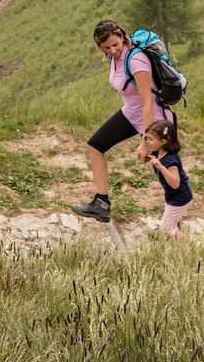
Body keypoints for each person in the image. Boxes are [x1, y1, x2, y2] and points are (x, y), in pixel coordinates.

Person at [70, 19, 166, 224]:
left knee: (165, 169)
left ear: (122, 36)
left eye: (115, 44)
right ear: (100, 46)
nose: (112, 50)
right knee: (95, 146)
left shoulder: (137, 60)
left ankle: (174, 220)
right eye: (106, 47)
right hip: (131, 114)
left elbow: (148, 103)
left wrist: (146, 141)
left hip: (155, 120)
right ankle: (101, 204)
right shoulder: (114, 58)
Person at [138, 118, 192, 238]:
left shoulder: (170, 160)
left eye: (151, 139)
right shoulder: (160, 152)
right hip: (173, 197)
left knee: (166, 229)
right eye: (146, 138)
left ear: (163, 141)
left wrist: (161, 167)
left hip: (179, 198)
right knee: (169, 226)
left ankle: (189, 248)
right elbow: (154, 159)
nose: (147, 142)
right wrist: (148, 157)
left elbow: (175, 183)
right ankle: (183, 247)